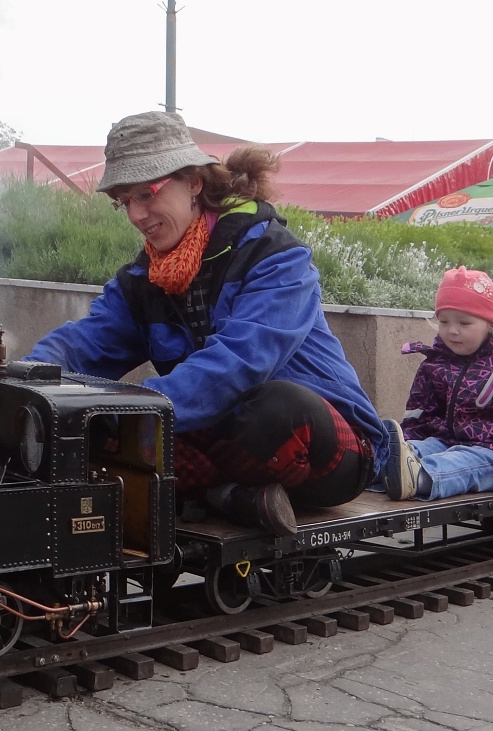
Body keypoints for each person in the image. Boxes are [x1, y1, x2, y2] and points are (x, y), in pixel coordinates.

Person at [26, 111, 386, 534]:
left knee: (274, 411)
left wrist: (135, 411)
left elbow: (239, 362)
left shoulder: (277, 257)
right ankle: (229, 495)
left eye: (145, 193)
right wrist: (29, 378)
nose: (137, 215)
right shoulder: (142, 281)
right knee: (89, 430)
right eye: (124, 201)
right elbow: (83, 344)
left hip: (320, 444)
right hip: (220, 436)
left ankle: (209, 490)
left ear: (194, 182)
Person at [384, 267, 493, 500]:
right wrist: (409, 441)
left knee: (462, 462)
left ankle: (421, 478)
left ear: (491, 323)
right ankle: (384, 464)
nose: (452, 331)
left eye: (464, 323)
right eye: (444, 322)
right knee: (419, 449)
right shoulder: (436, 361)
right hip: (443, 442)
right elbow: (420, 413)